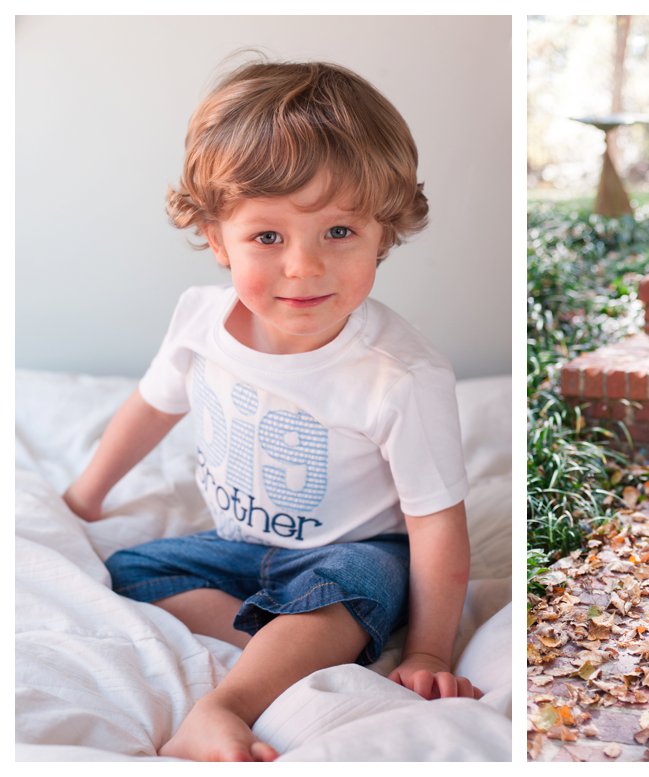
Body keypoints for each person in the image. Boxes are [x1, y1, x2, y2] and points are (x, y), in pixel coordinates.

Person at [62, 60, 479, 762]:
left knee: (356, 587)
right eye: (268, 237)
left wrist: (431, 647)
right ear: (216, 237)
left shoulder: (401, 375)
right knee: (132, 570)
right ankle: (291, 642)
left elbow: (435, 524)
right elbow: (150, 407)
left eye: (339, 232)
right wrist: (84, 495)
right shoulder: (199, 321)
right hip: (239, 548)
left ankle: (224, 703)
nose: (303, 266)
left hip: (352, 552)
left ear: (384, 230)